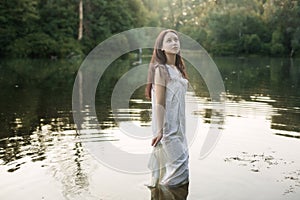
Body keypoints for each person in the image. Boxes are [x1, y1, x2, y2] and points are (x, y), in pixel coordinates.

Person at [145, 29, 189, 188]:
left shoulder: (178, 69)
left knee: (178, 168)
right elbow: (160, 103)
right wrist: (160, 131)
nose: (174, 43)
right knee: (180, 169)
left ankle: (160, 194)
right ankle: (166, 194)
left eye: (176, 39)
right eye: (169, 40)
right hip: (167, 129)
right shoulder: (161, 70)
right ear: (161, 47)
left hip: (180, 128)